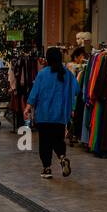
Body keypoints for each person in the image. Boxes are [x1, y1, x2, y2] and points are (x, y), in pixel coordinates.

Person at [26, 47, 82, 179]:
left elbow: (35, 93)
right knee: (58, 140)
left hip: (44, 115)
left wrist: (28, 107)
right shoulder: (67, 74)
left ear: (48, 59)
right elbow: (76, 90)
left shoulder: (42, 74)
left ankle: (47, 168)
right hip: (60, 115)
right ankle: (62, 158)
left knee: (45, 142)